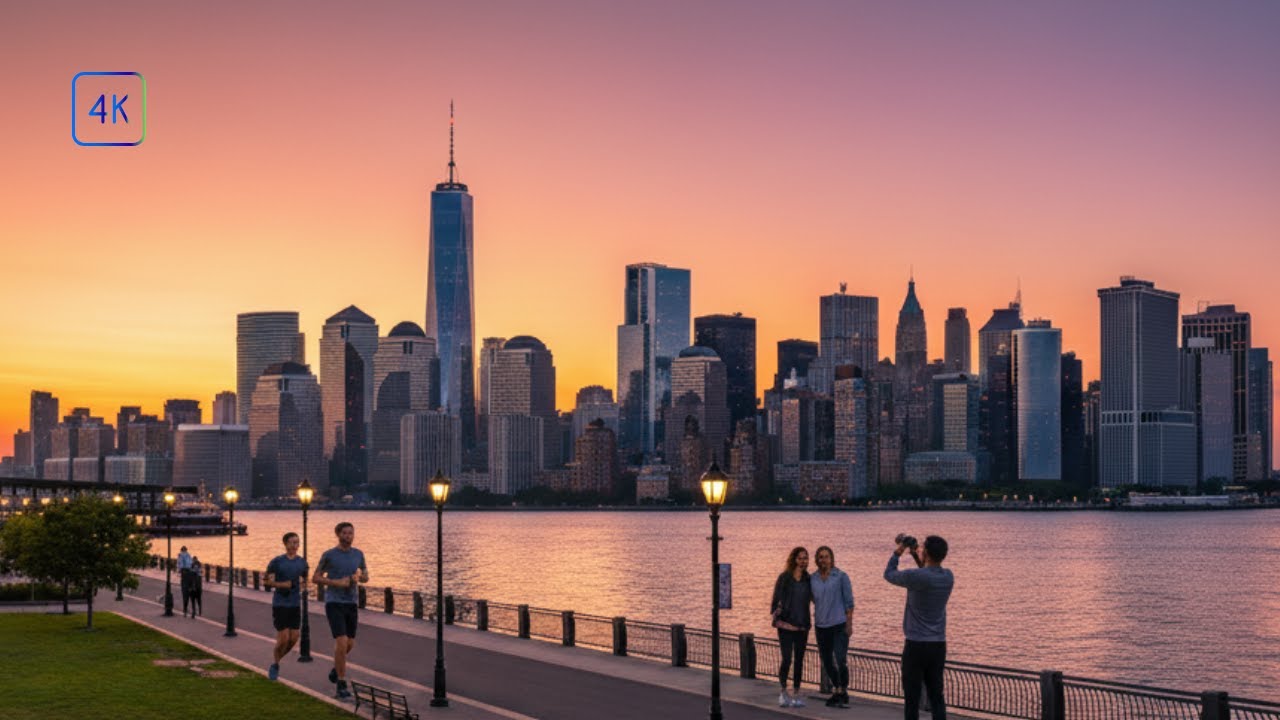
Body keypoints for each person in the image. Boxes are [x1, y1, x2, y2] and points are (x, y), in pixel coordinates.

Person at [884, 535, 954, 720]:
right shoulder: (948, 576)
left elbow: (889, 574)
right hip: (938, 645)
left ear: (927, 553)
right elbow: (928, 573)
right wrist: (916, 554)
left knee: (912, 698)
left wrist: (899, 551)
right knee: (936, 695)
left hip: (915, 645)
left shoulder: (915, 576)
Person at [312, 522, 368, 700]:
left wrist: (359, 577)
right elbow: (315, 577)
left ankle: (337, 669)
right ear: (338, 534)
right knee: (342, 642)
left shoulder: (359, 554)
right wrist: (337, 583)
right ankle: (341, 685)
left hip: (351, 603)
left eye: (351, 533)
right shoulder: (329, 555)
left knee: (349, 644)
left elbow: (366, 576)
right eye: (345, 533)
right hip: (334, 602)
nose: (348, 536)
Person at [810, 545, 854, 708]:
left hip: (839, 625)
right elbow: (813, 599)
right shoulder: (812, 578)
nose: (823, 559)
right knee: (827, 661)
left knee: (840, 659)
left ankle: (842, 691)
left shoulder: (841, 577)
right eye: (820, 557)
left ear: (832, 558)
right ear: (817, 560)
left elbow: (849, 603)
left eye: (826, 556)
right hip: (821, 626)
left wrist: (849, 625)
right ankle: (838, 689)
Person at [770, 546, 811, 708]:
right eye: (800, 558)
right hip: (786, 626)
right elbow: (775, 602)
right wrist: (777, 615)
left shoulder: (809, 579)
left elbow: (817, 598)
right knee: (787, 659)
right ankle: (782, 692)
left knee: (799, 661)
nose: (803, 561)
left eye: (805, 558)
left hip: (802, 626)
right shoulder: (784, 578)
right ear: (794, 559)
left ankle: (796, 694)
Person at [265, 532, 309, 681]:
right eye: (292, 542)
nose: (295, 546)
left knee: (294, 638)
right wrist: (282, 584)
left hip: (295, 604)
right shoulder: (277, 562)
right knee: (283, 639)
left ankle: (278, 659)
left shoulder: (302, 562)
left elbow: (304, 579)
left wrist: (303, 586)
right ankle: (275, 664)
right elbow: (267, 582)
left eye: (297, 543)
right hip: (280, 603)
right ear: (285, 544)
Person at [177, 546, 194, 616]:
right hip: (190, 574)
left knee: (185, 593)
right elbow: (191, 564)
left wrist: (180, 570)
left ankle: (185, 608)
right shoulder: (189, 555)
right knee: (191, 593)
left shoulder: (181, 555)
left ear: (181, 550)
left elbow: (180, 565)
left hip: (185, 574)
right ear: (186, 550)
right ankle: (193, 610)